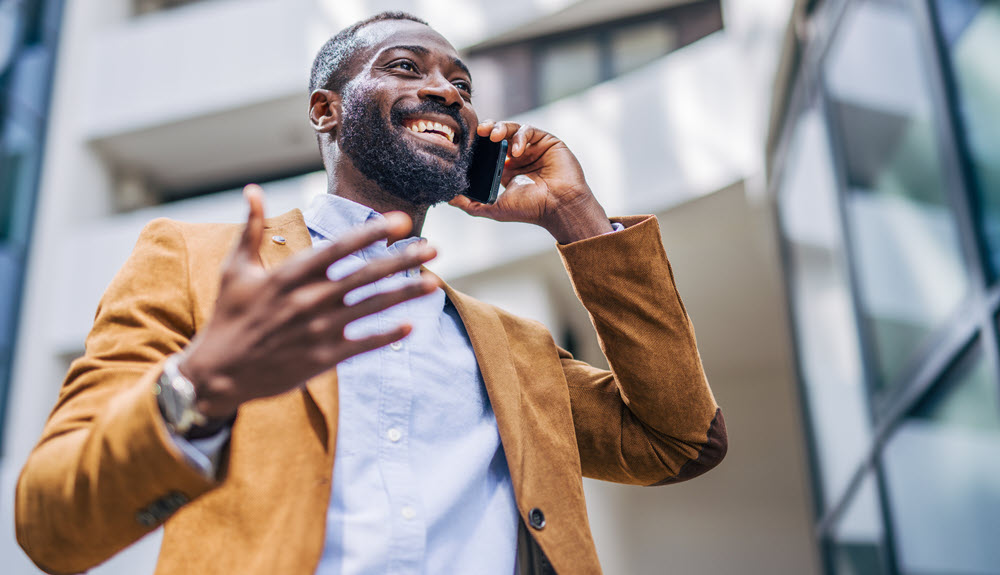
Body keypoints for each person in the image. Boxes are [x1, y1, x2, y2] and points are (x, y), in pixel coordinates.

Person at [15, 11, 727, 575]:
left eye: (463, 85)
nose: (448, 92)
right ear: (326, 111)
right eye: (405, 66)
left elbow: (681, 441)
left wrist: (579, 220)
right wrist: (198, 386)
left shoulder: (516, 350)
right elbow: (52, 523)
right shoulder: (192, 262)